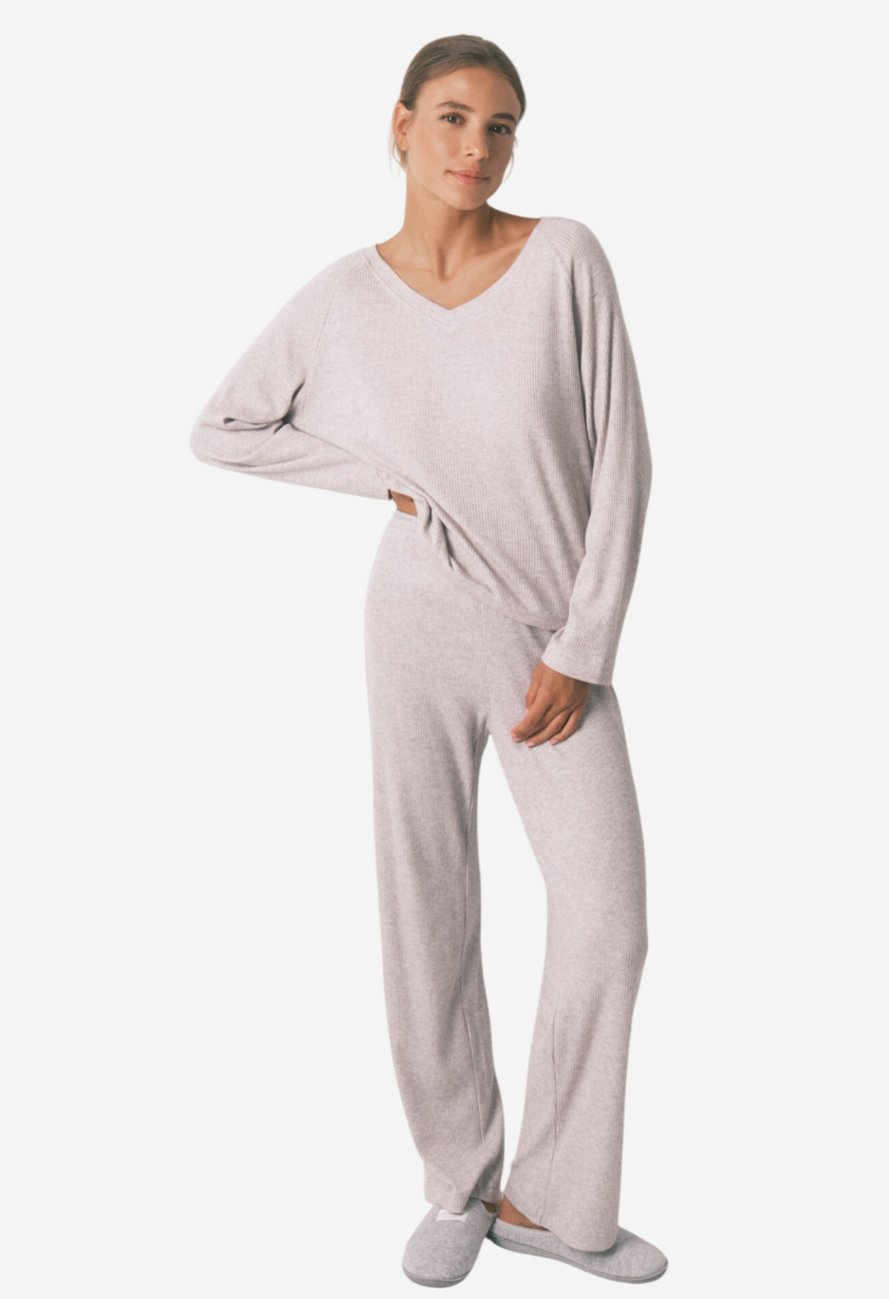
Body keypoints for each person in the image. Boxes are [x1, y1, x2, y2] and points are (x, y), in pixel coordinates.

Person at [189, 32, 667, 1288]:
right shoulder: (343, 300)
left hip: (552, 639)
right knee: (427, 905)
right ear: (400, 125)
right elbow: (223, 427)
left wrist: (585, 644)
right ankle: (458, 1177)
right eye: (453, 117)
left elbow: (624, 457)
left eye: (501, 125)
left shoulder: (565, 258)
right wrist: (390, 481)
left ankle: (554, 1202)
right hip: (415, 617)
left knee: (608, 918)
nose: (477, 146)